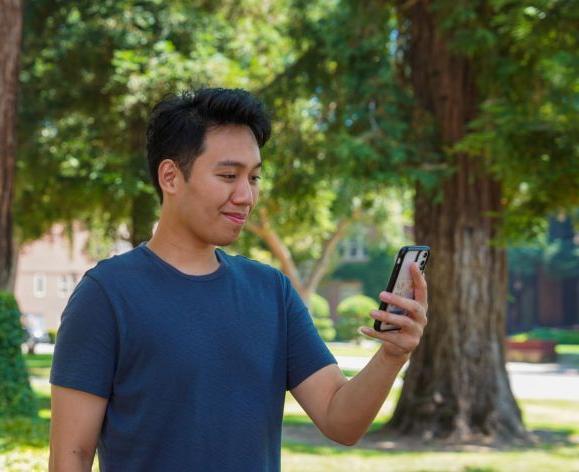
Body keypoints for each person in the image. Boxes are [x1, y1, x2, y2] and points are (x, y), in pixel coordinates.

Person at [48, 87, 428, 472]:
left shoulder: (272, 292)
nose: (246, 195)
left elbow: (340, 421)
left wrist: (392, 355)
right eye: (229, 175)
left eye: (255, 177)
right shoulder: (107, 294)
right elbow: (71, 456)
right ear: (171, 176)